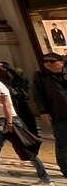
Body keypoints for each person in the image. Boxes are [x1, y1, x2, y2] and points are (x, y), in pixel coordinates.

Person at [0, 62, 51, 184]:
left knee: (24, 148)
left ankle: (44, 177)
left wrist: (10, 123)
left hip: (8, 121)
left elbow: (6, 104)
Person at [34, 52, 67, 180]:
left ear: (61, 62)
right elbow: (39, 96)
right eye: (46, 62)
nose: (48, 64)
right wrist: (43, 111)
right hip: (59, 115)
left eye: (52, 62)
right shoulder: (41, 76)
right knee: (63, 143)